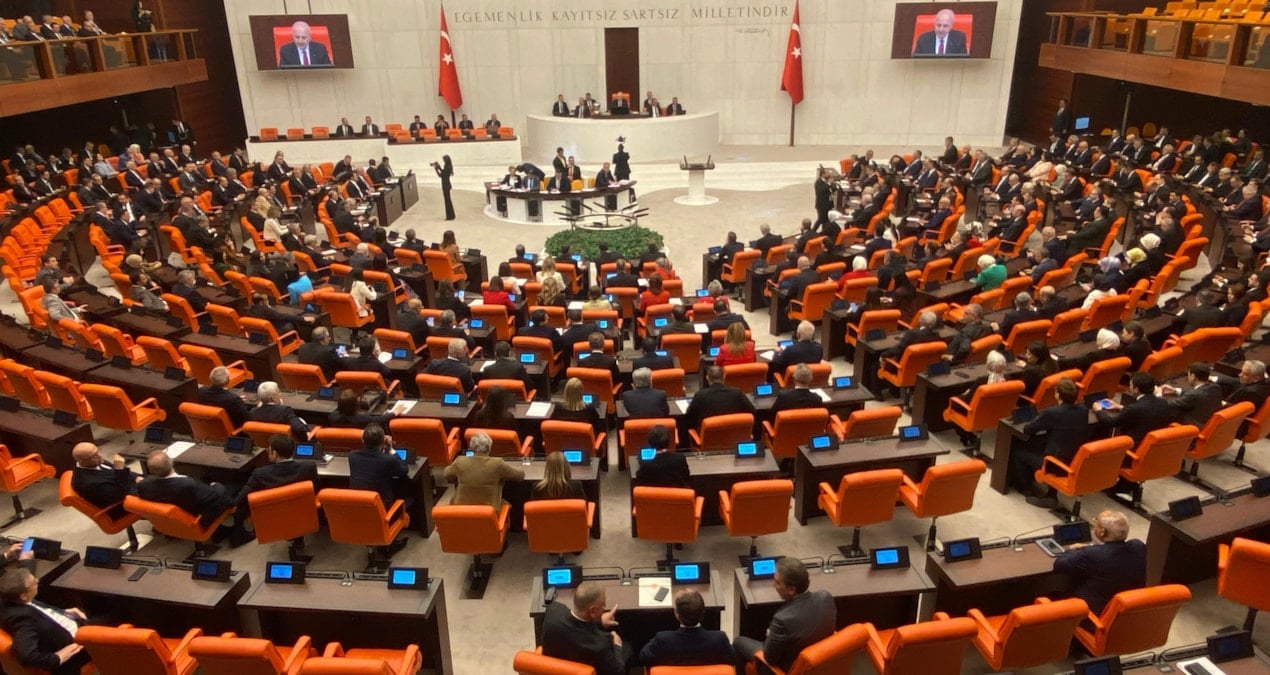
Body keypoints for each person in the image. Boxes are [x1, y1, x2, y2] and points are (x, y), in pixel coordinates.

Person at [734, 557, 836, 673]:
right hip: (821, 662)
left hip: (788, 667)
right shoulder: (826, 597)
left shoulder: (782, 619)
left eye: (777, 582)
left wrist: (770, 636)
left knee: (738, 642)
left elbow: (770, 658)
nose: (774, 585)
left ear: (791, 589)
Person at [1052, 510, 1146, 615]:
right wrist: (1092, 548)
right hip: (1127, 611)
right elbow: (1111, 552)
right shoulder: (1138, 547)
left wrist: (1071, 550)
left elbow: (1059, 565)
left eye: (1096, 522)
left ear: (1102, 532)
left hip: (1092, 613)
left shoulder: (1092, 555)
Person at [1009, 378, 1088, 504]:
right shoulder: (1083, 410)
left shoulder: (1052, 412)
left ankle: (1027, 490)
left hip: (1054, 464)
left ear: (1058, 394)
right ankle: (1050, 492)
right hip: (1074, 459)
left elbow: (1028, 429)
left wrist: (1038, 419)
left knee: (1018, 452)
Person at [1, 567, 92, 675]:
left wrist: (62, 612)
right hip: (76, 648)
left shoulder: (14, 600)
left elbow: (37, 608)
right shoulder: (22, 619)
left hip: (72, 624)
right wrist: (57, 657)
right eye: (33, 582)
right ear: (23, 596)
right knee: (109, 620)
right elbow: (26, 656)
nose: (37, 580)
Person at [541, 581, 630, 675]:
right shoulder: (600, 646)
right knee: (627, 648)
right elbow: (618, 672)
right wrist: (617, 645)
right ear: (592, 611)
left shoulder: (553, 611)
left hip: (552, 669)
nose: (604, 608)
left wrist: (599, 621)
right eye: (603, 605)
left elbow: (577, 626)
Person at [640, 589, 735, 667]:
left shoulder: (663, 640)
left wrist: (652, 641)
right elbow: (732, 658)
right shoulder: (719, 639)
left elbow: (643, 657)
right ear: (703, 613)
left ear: (677, 614)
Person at [137, 450, 233, 527]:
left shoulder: (144, 485)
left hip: (173, 521)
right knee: (229, 489)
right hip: (199, 516)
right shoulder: (187, 484)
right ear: (171, 462)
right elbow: (215, 496)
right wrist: (216, 485)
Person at [234, 434, 318, 516]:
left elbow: (242, 498)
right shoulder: (309, 467)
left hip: (272, 514)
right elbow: (315, 488)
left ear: (274, 453)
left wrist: (233, 505)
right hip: (301, 512)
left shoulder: (260, 473)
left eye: (269, 450)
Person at [444, 432, 524, 508]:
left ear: (471, 448)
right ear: (489, 448)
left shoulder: (460, 461)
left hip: (462, 510)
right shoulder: (497, 463)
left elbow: (447, 475)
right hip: (490, 511)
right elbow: (519, 476)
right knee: (508, 504)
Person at [1095, 372, 1172, 448]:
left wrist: (1099, 410)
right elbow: (1145, 411)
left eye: (1130, 385)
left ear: (1136, 389)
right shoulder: (1162, 402)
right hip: (1152, 446)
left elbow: (1110, 422)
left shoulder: (1133, 408)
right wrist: (1120, 407)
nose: (1129, 387)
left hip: (1133, 447)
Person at [69, 442, 138, 520]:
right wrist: (120, 470)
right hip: (120, 505)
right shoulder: (86, 483)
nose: (100, 456)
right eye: (93, 456)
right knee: (149, 487)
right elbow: (120, 495)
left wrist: (136, 477)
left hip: (124, 488)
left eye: (98, 451)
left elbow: (114, 470)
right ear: (82, 461)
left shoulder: (92, 461)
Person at [684, 365, 755, 432]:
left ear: (707, 378)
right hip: (735, 435)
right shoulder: (737, 393)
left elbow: (689, 416)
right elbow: (751, 411)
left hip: (709, 437)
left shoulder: (700, 395)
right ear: (724, 376)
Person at [1162, 362, 1224, 428]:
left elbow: (1170, 405)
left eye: (1188, 375)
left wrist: (1159, 394)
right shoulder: (1215, 387)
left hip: (1194, 426)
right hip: (1210, 424)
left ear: (1193, 376)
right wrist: (1175, 390)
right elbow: (1197, 393)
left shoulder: (1194, 395)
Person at [433, 155, 455, 220]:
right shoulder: (448, 166)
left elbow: (441, 175)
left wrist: (436, 169)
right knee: (448, 200)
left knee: (447, 201)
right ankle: (451, 215)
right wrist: (439, 167)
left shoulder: (447, 166)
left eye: (444, 160)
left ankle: (449, 216)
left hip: (445, 185)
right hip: (447, 184)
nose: (443, 161)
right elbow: (444, 173)